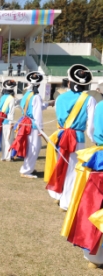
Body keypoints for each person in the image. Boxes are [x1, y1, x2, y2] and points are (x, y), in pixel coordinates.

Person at [44, 64, 95, 211]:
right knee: (73, 169)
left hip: (61, 135)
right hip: (76, 137)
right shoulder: (89, 99)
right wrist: (93, 139)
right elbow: (90, 125)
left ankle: (59, 195)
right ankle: (66, 202)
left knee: (61, 165)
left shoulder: (60, 98)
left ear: (69, 82)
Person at [60, 100, 103, 269]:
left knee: (92, 204)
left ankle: (93, 255)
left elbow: (91, 130)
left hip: (98, 155)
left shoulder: (99, 104)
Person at [10, 72, 54, 178]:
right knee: (34, 148)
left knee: (31, 146)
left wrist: (48, 104)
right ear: (39, 84)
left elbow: (35, 107)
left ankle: (28, 168)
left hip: (26, 121)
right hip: (33, 124)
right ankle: (26, 170)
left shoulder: (27, 94)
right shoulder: (36, 96)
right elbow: (37, 113)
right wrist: (40, 129)